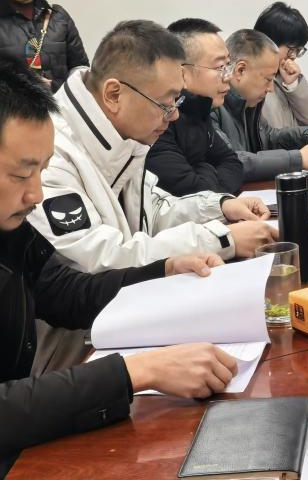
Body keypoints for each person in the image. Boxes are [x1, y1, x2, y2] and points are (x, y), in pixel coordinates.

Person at [0, 57, 239, 476]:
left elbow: (65, 292)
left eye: (42, 171)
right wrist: (137, 372)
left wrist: (162, 272)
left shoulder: (11, 229)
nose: (36, 194)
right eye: (22, 175)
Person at [28, 20, 278, 272]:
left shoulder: (122, 133)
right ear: (114, 95)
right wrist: (221, 239)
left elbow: (153, 211)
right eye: (165, 104)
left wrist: (220, 207)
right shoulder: (47, 154)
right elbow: (100, 258)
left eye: (176, 101)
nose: (174, 115)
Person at [212, 29, 308, 182]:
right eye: (268, 79)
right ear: (241, 70)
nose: (271, 89)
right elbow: (231, 161)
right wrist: (298, 158)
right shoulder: (211, 104)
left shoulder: (247, 100)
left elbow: (269, 136)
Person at [146, 19, 243, 197]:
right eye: (220, 67)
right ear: (182, 73)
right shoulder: (158, 118)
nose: (228, 77)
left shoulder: (198, 108)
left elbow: (232, 164)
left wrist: (202, 171)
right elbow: (192, 191)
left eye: (228, 65)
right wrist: (207, 168)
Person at [254, 2, 308, 129]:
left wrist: (293, 85)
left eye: (298, 50)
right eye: (291, 49)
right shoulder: (249, 80)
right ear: (268, 42)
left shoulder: (288, 75)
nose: (294, 56)